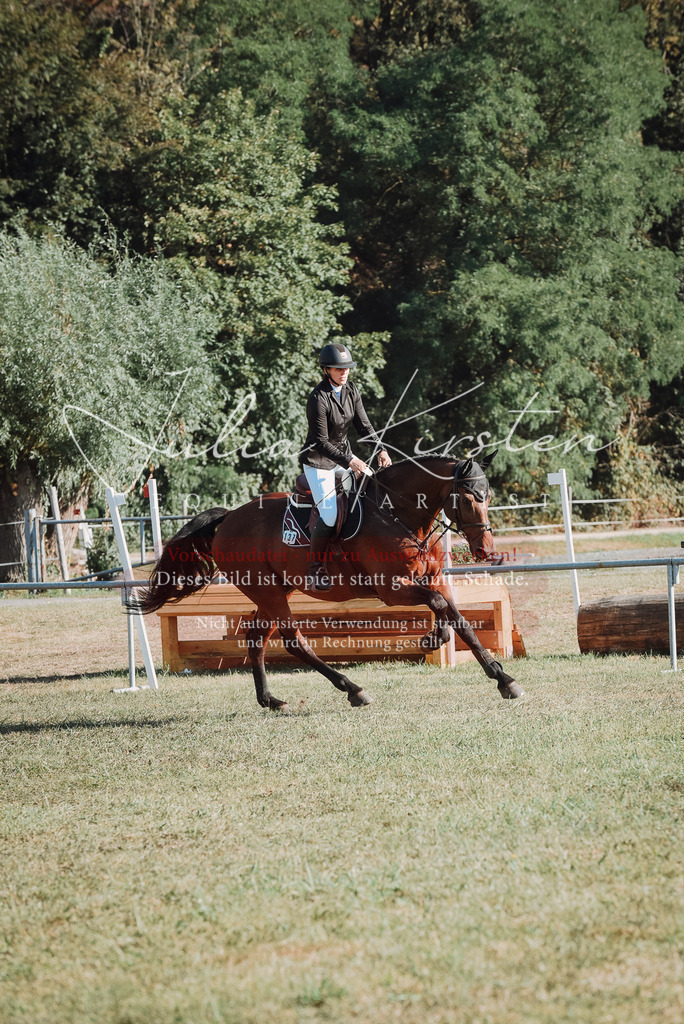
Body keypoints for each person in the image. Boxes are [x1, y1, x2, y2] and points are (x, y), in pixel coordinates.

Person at [301, 340, 392, 590]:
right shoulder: (318, 398)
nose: (344, 372)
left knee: (372, 488)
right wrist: (351, 460)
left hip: (343, 457)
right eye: (339, 369)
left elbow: (364, 426)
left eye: (347, 368)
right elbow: (320, 442)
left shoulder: (351, 390)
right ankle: (315, 570)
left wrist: (380, 448)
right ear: (326, 370)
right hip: (319, 463)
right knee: (330, 514)